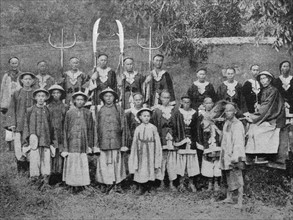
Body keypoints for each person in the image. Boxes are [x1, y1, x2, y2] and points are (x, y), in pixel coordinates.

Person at [245, 71, 285, 162]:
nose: (262, 81)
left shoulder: (273, 90)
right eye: (261, 79)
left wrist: (254, 117)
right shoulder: (264, 90)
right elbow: (264, 105)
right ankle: (253, 153)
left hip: (275, 117)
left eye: (264, 78)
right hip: (267, 114)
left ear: (270, 79)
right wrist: (258, 106)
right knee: (252, 127)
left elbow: (268, 106)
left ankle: (264, 154)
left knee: (259, 129)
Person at [95, 87, 126, 193]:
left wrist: (123, 142)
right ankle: (106, 184)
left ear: (114, 97)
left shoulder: (119, 109)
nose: (108, 98)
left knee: (116, 162)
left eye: (111, 96)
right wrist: (96, 143)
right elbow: (96, 127)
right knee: (105, 163)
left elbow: (123, 126)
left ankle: (117, 184)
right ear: (103, 98)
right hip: (104, 141)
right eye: (106, 96)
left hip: (116, 141)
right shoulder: (100, 110)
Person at [62, 91, 94, 191]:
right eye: (78, 99)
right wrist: (66, 145)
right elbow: (65, 129)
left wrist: (90, 144)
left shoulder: (88, 113)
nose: (80, 102)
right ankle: (72, 184)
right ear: (74, 101)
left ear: (85, 101)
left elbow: (90, 129)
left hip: (83, 141)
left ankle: (82, 184)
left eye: (82, 100)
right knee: (73, 161)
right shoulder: (69, 113)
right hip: (72, 141)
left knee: (82, 161)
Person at [5, 72, 36, 172]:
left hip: (32, 124)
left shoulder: (36, 93)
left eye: (29, 79)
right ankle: (22, 169)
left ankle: (32, 168)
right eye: (25, 79)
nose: (27, 81)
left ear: (32, 81)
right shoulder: (17, 93)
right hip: (20, 124)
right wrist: (12, 123)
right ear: (22, 81)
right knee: (19, 145)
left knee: (32, 144)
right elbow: (12, 109)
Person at [22, 88, 54, 181]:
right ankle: (35, 180)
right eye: (39, 96)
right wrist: (26, 141)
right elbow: (26, 126)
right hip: (34, 141)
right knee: (35, 160)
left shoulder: (48, 110)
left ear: (46, 98)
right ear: (35, 97)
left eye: (43, 96)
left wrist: (52, 141)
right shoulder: (30, 110)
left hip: (46, 139)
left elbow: (52, 127)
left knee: (45, 161)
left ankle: (45, 181)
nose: (41, 98)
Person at [128, 108, 162, 195]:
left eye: (148, 116)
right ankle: (141, 187)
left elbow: (157, 141)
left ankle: (150, 187)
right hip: (141, 151)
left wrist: (156, 152)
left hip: (150, 150)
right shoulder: (138, 128)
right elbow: (135, 142)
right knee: (141, 168)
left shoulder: (153, 128)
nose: (146, 118)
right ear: (140, 117)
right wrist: (135, 152)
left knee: (150, 167)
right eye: (144, 116)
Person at [219, 103, 246, 209]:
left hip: (235, 154)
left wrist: (236, 157)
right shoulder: (226, 123)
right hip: (226, 153)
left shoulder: (238, 124)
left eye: (230, 110)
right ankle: (229, 197)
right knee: (227, 175)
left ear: (235, 111)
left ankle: (240, 201)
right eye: (226, 111)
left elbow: (238, 142)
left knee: (238, 176)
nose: (228, 113)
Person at [172, 95, 200, 192]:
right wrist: (177, 140)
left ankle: (191, 183)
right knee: (181, 161)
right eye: (184, 102)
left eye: (188, 102)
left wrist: (195, 140)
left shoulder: (194, 113)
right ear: (181, 103)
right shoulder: (177, 113)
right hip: (181, 139)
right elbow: (175, 127)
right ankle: (181, 183)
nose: (186, 104)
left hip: (191, 139)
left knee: (191, 161)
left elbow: (196, 128)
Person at [151, 90, 177, 191]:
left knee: (171, 161)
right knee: (161, 160)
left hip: (172, 138)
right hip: (161, 138)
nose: (165, 100)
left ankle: (171, 183)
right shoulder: (157, 111)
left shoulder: (174, 110)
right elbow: (155, 126)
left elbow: (177, 125)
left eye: (167, 98)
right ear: (160, 98)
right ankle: (161, 182)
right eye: (163, 98)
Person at [198, 97, 222, 191]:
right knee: (208, 161)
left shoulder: (217, 115)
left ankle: (216, 182)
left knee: (217, 159)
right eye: (206, 103)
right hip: (207, 141)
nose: (209, 105)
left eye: (210, 103)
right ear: (204, 105)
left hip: (216, 140)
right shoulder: (201, 115)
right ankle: (209, 183)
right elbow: (199, 129)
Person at [47, 84, 68, 184]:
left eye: (58, 93)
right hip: (51, 134)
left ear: (61, 94)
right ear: (51, 94)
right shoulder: (48, 107)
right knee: (52, 153)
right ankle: (52, 177)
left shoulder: (65, 107)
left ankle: (61, 176)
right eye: (54, 93)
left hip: (61, 133)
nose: (56, 95)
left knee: (61, 153)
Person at [0, 57, 22, 151]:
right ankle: (9, 145)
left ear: (18, 64)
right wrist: (2, 102)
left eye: (16, 63)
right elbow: (2, 89)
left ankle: (19, 142)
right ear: (9, 64)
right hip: (8, 102)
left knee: (18, 121)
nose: (14, 65)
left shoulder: (21, 75)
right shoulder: (6, 75)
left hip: (18, 101)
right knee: (8, 122)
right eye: (12, 63)